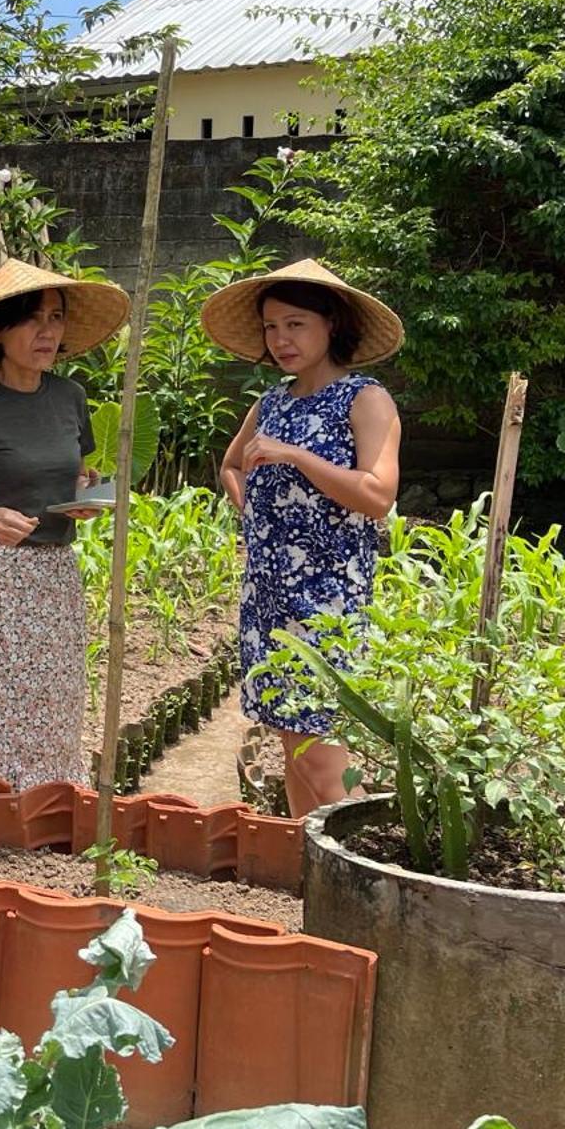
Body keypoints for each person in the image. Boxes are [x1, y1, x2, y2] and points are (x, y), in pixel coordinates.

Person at [0, 258, 131, 788]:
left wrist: (87, 493)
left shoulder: (70, 398)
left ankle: (47, 808)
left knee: (52, 702)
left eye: (56, 319)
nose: (48, 332)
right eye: (32, 319)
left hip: (55, 576)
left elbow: (79, 470)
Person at [203, 258, 404, 817]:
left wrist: (293, 455)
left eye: (296, 324)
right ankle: (306, 875)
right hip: (267, 597)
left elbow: (377, 494)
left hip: (326, 602)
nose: (281, 339)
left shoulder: (365, 400)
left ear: (332, 325)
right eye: (271, 327)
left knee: (319, 754)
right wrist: (256, 516)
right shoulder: (270, 403)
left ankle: (369, 871)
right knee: (291, 749)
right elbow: (231, 466)